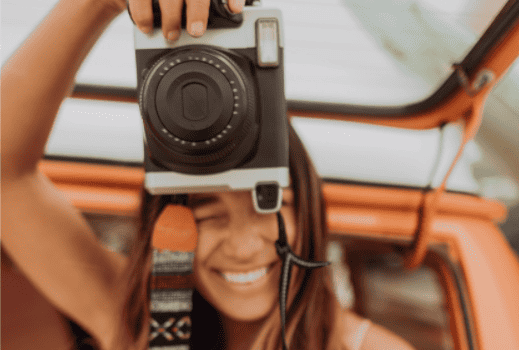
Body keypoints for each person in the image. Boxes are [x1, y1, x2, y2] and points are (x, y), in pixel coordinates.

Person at [2, 0, 416, 349]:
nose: (241, 245)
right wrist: (98, 4)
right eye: (206, 213)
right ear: (167, 226)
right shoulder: (141, 324)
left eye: (269, 202)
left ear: (310, 213)